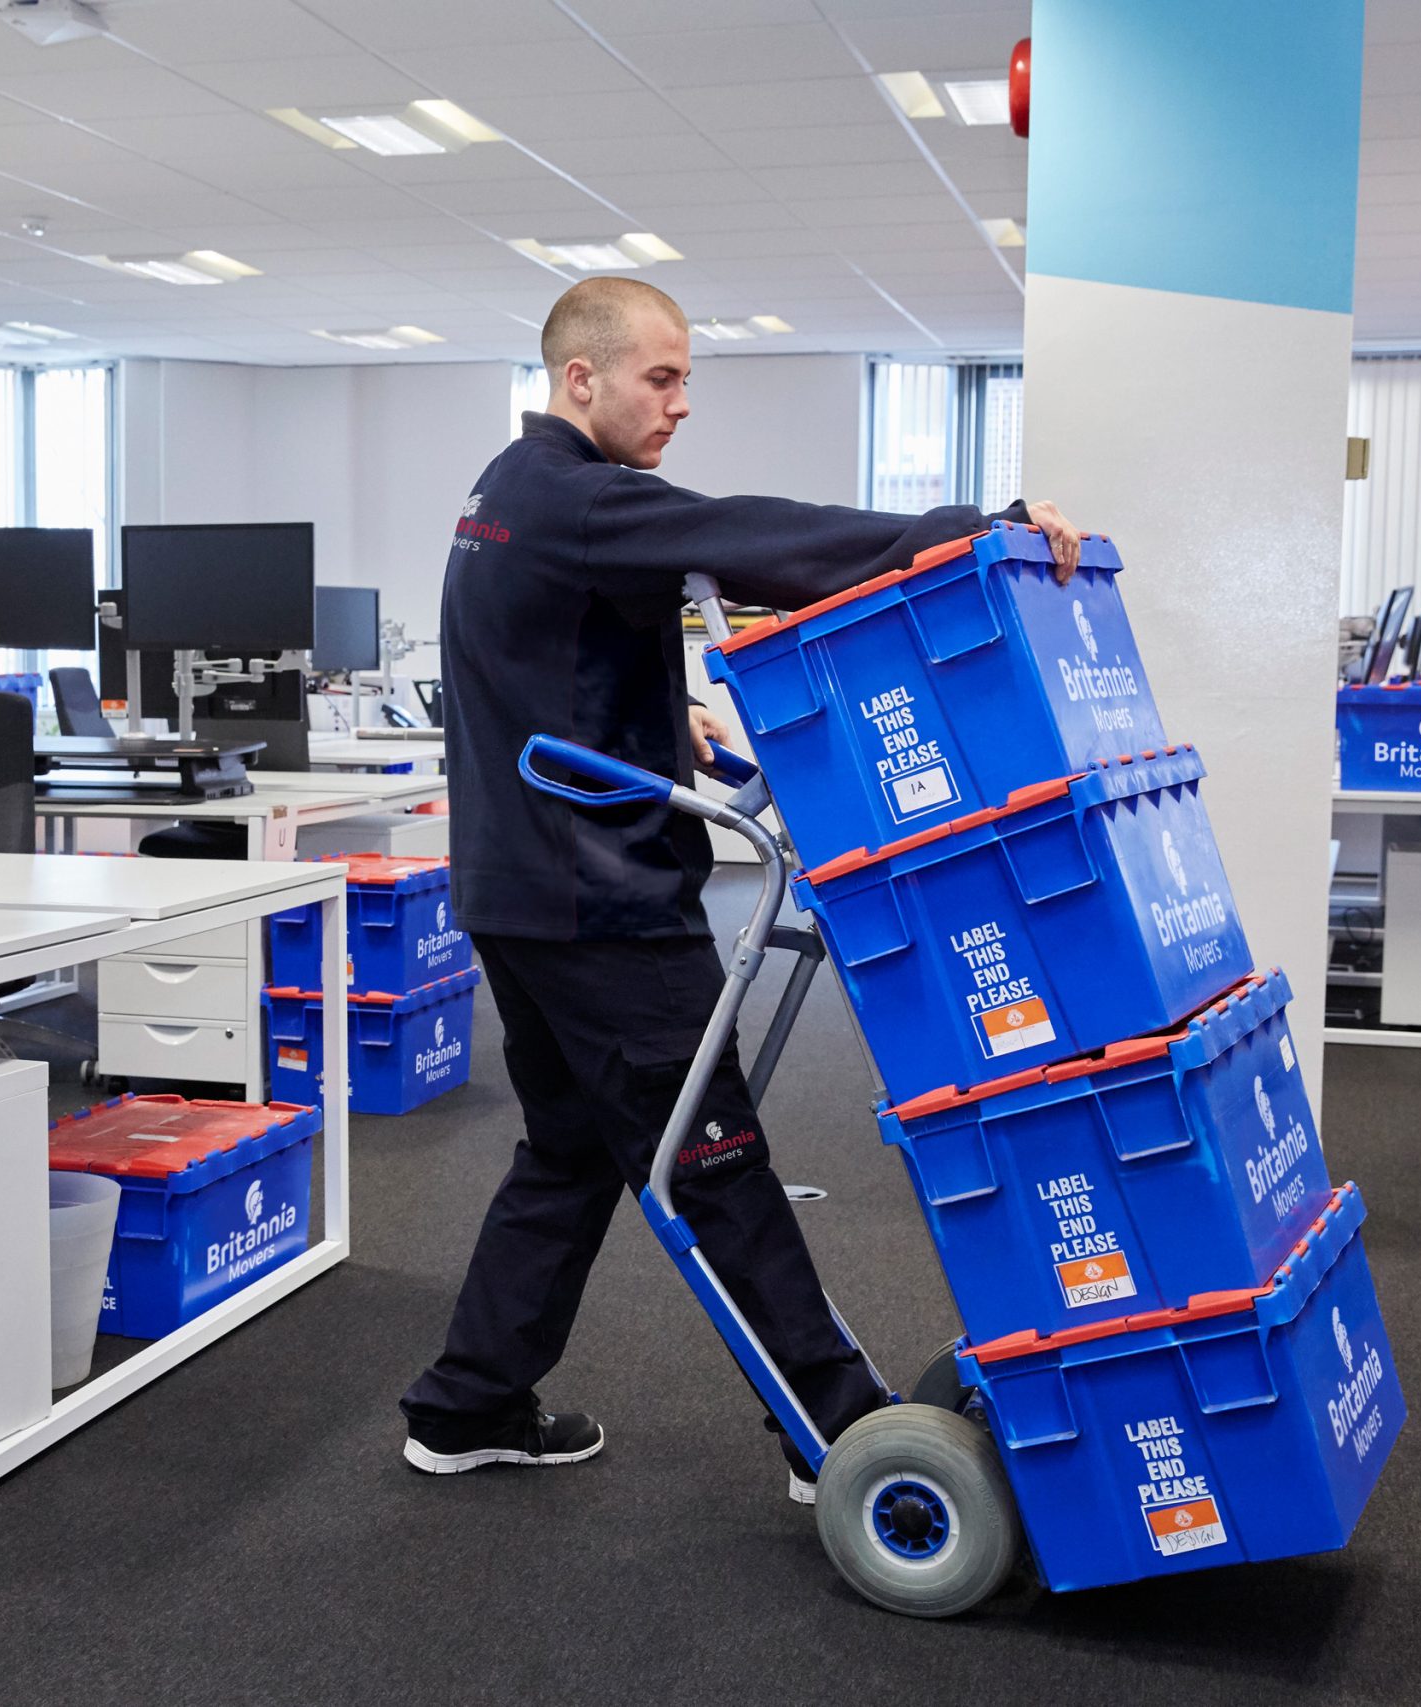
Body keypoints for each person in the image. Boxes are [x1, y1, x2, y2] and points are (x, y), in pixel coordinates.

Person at [400, 275, 1081, 1499]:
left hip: (518, 885)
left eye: (685, 380)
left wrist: (676, 736)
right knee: (712, 1160)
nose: (679, 404)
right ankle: (839, 1437)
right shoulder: (581, 498)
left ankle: (466, 1406)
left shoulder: (508, 495)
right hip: (597, 904)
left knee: (567, 1151)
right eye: (659, 379)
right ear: (580, 380)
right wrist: (963, 527)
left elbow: (547, 662)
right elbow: (752, 535)